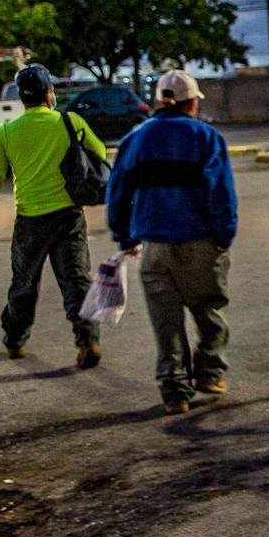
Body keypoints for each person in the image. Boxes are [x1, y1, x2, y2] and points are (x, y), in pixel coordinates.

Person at [106, 70, 237, 415]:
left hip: (154, 247)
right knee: (210, 310)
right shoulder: (207, 137)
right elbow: (221, 192)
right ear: (191, 102)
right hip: (201, 242)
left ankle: (175, 392)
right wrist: (224, 235)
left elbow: (118, 191)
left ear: (160, 101)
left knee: (166, 323)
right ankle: (209, 373)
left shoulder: (135, 139)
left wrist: (124, 236)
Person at [0, 64, 106, 368]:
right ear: (49, 93)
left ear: (23, 98)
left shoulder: (7, 132)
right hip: (69, 216)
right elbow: (99, 152)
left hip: (30, 220)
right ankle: (87, 340)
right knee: (77, 281)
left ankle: (15, 341)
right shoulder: (70, 122)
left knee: (24, 283)